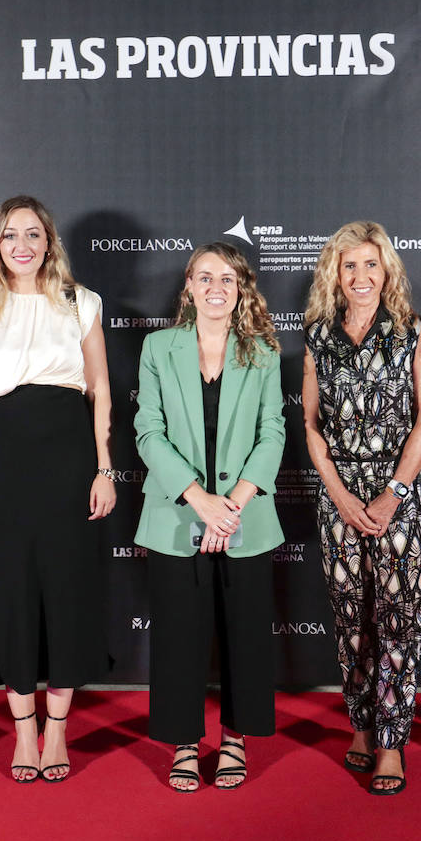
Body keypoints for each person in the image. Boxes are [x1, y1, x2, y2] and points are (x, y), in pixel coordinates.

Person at [0, 196, 115, 784]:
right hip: (0, 468)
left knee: (66, 593)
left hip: (68, 463)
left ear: (49, 241)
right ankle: (24, 731)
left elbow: (99, 389)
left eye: (34, 233)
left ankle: (59, 732)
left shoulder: (80, 302)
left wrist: (103, 468)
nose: (22, 244)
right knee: (11, 594)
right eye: (10, 234)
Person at [134, 242, 285, 792]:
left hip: (247, 519)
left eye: (227, 277)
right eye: (204, 276)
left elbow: (274, 433)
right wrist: (199, 501)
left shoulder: (263, 351)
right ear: (190, 287)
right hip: (178, 516)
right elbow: (148, 432)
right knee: (178, 634)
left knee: (245, 634)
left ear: (241, 286)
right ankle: (182, 741)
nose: (216, 286)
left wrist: (233, 506)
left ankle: (236, 740)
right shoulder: (157, 347)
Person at [301, 221, 421, 796]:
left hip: (400, 498)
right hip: (338, 496)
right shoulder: (317, 337)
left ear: (388, 272)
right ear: (335, 272)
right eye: (349, 266)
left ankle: (391, 744)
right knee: (351, 621)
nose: (360, 277)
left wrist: (392, 493)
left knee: (397, 622)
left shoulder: (413, 332)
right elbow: (309, 425)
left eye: (371, 265)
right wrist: (338, 492)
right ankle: (360, 726)